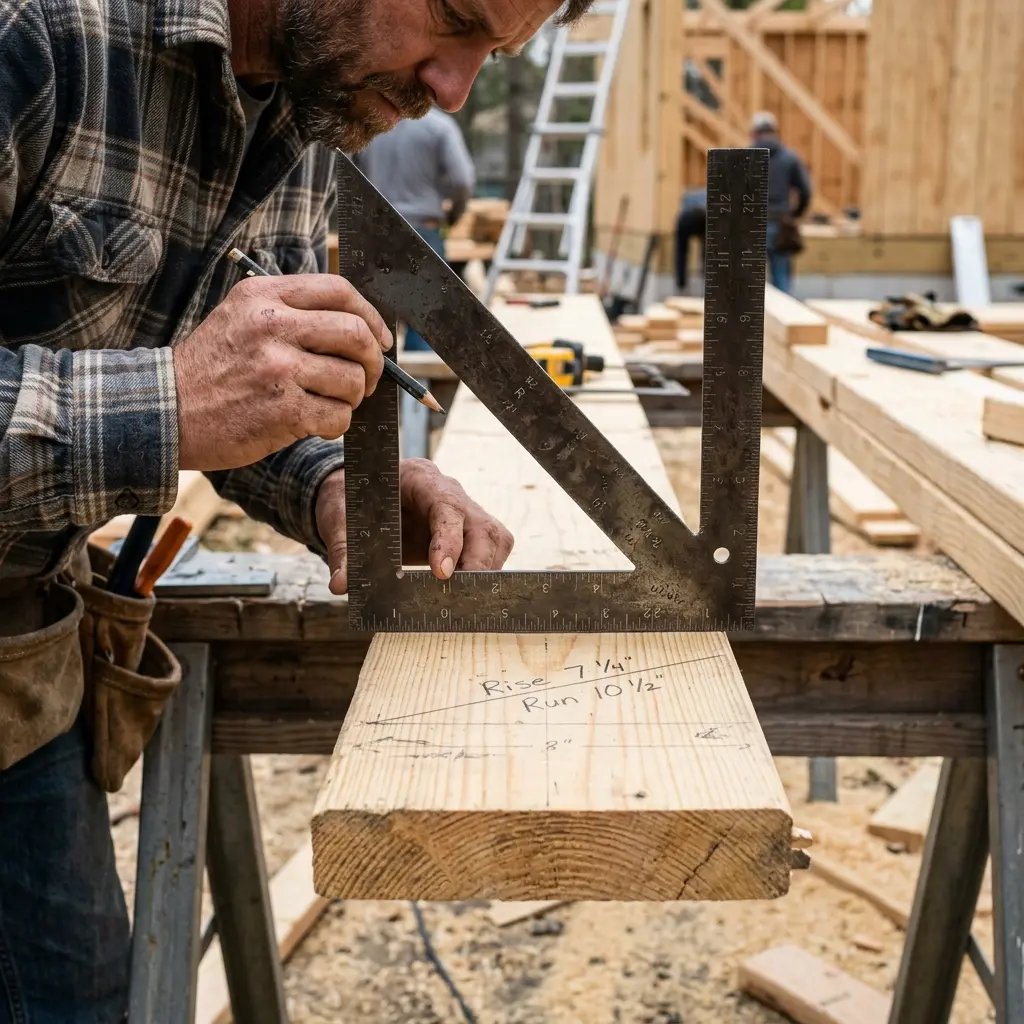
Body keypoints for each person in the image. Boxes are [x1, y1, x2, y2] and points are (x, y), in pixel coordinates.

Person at [0, 0, 594, 1018]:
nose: (452, 87)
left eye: (493, 54)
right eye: (453, 21)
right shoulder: (39, 30)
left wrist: (328, 479)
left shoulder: (316, 100)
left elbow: (235, 378)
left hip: (21, 658)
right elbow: (190, 390)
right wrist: (172, 403)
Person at [354, 108, 476, 351]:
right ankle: (417, 389)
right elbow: (462, 180)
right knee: (423, 323)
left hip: (378, 232)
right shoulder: (439, 127)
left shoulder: (371, 124)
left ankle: (378, 388)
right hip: (423, 233)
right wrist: (454, 215)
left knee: (375, 325)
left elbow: (354, 176)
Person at [750, 110, 812, 294]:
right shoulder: (789, 157)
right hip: (780, 224)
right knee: (781, 277)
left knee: (751, 281)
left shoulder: (747, 156)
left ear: (754, 133)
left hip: (753, 224)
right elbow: (805, 191)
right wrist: (794, 214)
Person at [674, 186, 707, 294]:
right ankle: (683, 284)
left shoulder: (696, 200)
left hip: (685, 220)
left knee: (682, 252)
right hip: (690, 221)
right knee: (705, 254)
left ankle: (681, 284)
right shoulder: (704, 210)